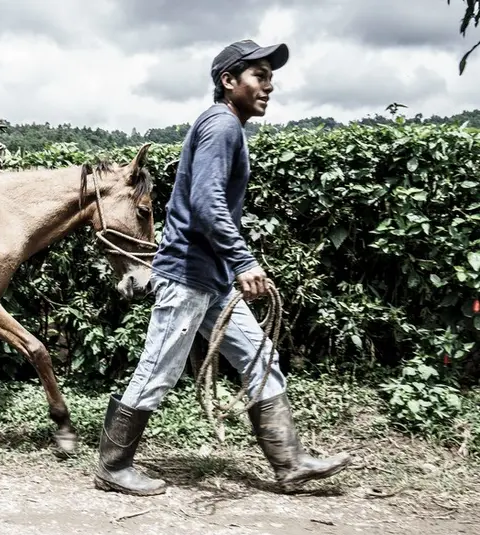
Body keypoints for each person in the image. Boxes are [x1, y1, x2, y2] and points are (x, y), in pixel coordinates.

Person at [93, 39, 352, 496]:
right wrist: (243, 260)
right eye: (258, 76)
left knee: (259, 357)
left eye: (271, 77)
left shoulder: (227, 126)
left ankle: (289, 464)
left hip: (210, 279)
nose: (269, 86)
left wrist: (229, 267)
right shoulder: (221, 125)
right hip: (188, 275)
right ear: (228, 81)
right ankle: (112, 466)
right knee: (158, 371)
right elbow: (206, 200)